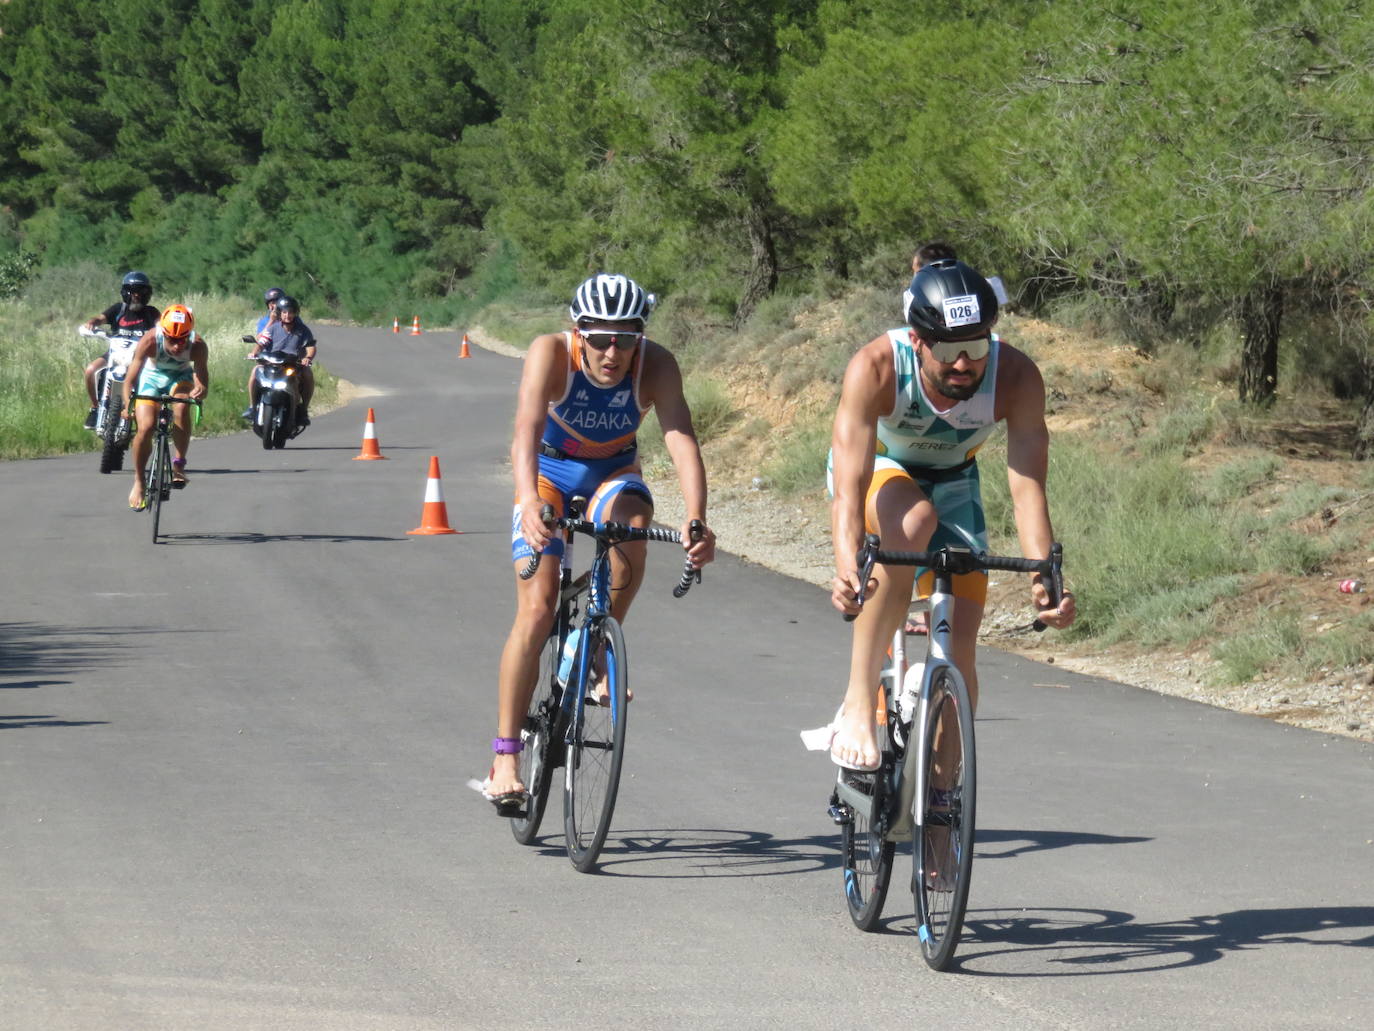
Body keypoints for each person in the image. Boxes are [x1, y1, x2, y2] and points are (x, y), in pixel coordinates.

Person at [827, 257, 1076, 771]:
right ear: (917, 339)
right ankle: (857, 701)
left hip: (953, 477)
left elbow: (1028, 487)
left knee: (960, 635)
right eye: (947, 349)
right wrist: (849, 564)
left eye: (977, 346)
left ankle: (941, 806)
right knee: (912, 523)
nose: (964, 363)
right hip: (879, 468)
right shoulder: (875, 366)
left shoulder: (1016, 375)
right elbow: (849, 491)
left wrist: (1045, 576)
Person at [483, 272, 717, 813]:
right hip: (547, 474)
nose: (614, 352)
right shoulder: (550, 354)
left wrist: (698, 517)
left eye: (626, 338)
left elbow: (680, 436)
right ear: (579, 332)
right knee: (538, 607)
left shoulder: (655, 364)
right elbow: (525, 426)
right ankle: (505, 758)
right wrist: (526, 503)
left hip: (612, 473)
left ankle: (592, 652)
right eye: (601, 339)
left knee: (633, 521)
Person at [122, 304, 210, 511]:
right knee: (146, 427)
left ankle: (178, 465)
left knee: (181, 407)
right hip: (152, 378)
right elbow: (129, 380)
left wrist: (201, 391)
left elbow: (202, 381)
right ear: (163, 333)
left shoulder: (197, 345)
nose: (178, 346)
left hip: (180, 378)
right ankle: (139, 481)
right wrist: (128, 405)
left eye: (182, 340)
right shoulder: (150, 340)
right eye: (172, 339)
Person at [81, 271, 160, 429]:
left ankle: (150, 413)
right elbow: (100, 318)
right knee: (91, 370)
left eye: (140, 291)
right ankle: (95, 408)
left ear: (146, 293)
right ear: (125, 292)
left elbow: (161, 325)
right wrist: (92, 323)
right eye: (132, 291)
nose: (136, 295)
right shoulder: (119, 309)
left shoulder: (151, 313)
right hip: (115, 353)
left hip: (140, 357)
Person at [243, 295, 316, 425]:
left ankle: (303, 410)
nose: (287, 315)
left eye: (291, 312)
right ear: (279, 313)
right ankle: (252, 407)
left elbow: (310, 346)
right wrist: (254, 353)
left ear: (295, 313)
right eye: (284, 312)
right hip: (271, 364)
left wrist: (307, 358)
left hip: (293, 365)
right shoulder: (272, 328)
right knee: (255, 371)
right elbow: (261, 343)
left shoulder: (302, 330)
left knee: (308, 374)